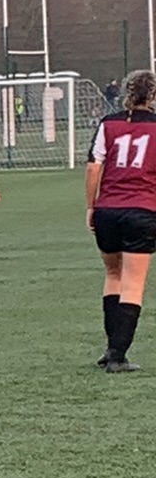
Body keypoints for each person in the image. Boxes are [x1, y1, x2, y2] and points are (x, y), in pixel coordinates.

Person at [86, 68, 156, 372]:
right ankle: (117, 355)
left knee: (112, 275)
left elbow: (93, 167)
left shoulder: (109, 123)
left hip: (107, 209)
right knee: (133, 282)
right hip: (142, 210)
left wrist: (91, 206)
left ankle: (111, 347)